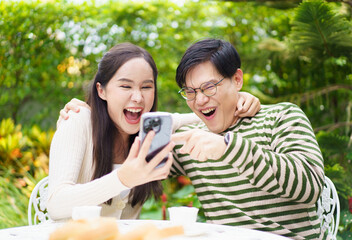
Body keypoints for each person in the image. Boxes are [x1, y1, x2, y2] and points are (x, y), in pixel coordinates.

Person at [49, 42, 261, 221]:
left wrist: (238, 98)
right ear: (101, 90)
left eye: (146, 87)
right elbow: (56, 204)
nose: (138, 97)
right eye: (125, 86)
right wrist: (122, 178)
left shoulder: (152, 130)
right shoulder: (77, 120)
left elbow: (204, 113)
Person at [169, 39, 324, 240]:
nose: (199, 101)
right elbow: (136, 158)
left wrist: (229, 149)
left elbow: (310, 187)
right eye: (190, 92)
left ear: (237, 80)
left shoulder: (281, 116)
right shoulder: (192, 138)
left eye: (209, 87)